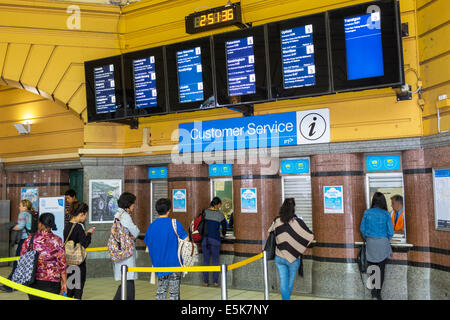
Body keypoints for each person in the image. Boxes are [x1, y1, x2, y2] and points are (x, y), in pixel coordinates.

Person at [268, 198, 314, 300]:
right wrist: (299, 248)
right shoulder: (298, 222)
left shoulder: (276, 221)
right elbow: (310, 237)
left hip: (279, 257)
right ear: (294, 208)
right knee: (289, 284)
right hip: (293, 258)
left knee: (283, 283)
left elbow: (271, 232)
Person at [144, 198, 188, 300]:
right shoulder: (175, 223)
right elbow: (186, 239)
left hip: (159, 264)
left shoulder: (151, 226)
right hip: (174, 264)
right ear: (169, 210)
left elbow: (147, 242)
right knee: (174, 293)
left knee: (161, 291)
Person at [20, 213, 67, 300]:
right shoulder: (57, 240)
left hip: (33, 279)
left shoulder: (31, 238)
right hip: (52, 281)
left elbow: (22, 255)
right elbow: (62, 264)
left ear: (41, 224)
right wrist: (64, 282)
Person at [360, 192, 394, 300]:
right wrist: (385, 238)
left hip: (371, 243)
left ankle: (373, 292)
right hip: (383, 243)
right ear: (383, 201)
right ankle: (378, 294)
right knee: (381, 268)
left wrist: (368, 238)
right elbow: (391, 232)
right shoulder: (386, 214)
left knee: (372, 268)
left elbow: (362, 229)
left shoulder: (367, 212)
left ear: (373, 201)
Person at [0, 200, 34, 292]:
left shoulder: (23, 214)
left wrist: (10, 227)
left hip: (24, 241)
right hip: (31, 241)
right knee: (27, 263)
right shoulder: (31, 214)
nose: (19, 207)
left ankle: (9, 286)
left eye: (20, 206)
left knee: (17, 263)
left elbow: (20, 226)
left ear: (25, 207)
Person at [112, 192, 140, 300]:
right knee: (128, 281)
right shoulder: (125, 216)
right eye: (133, 204)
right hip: (126, 253)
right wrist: (136, 230)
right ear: (128, 204)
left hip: (120, 251)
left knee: (126, 280)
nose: (134, 206)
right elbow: (135, 231)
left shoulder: (118, 214)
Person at [63, 203, 94, 299]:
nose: (85, 217)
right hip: (78, 263)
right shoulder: (79, 227)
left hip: (68, 261)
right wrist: (88, 234)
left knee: (70, 287)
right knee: (78, 288)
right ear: (82, 214)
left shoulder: (67, 225)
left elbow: (71, 240)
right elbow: (84, 244)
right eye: (85, 215)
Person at [202, 197, 227, 287]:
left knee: (205, 261)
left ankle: (205, 282)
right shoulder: (220, 214)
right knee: (215, 261)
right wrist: (223, 234)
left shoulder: (205, 212)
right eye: (220, 205)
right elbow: (224, 227)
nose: (220, 207)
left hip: (205, 240)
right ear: (217, 204)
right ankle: (215, 282)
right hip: (215, 239)